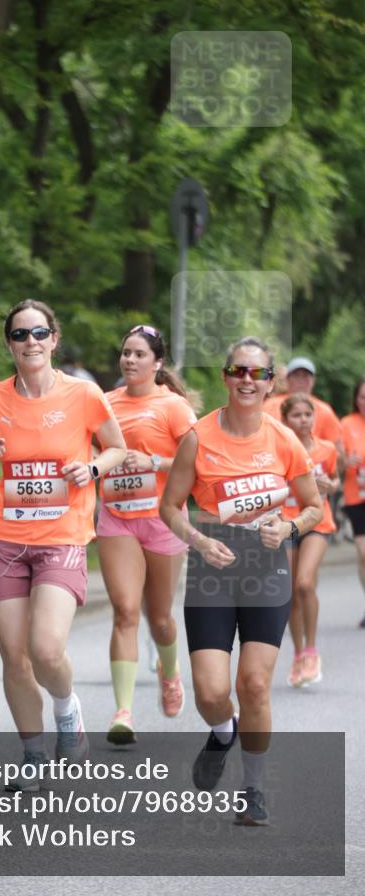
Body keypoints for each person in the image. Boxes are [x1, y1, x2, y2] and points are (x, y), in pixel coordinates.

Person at [160, 337, 322, 826]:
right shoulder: (198, 436)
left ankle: (253, 788)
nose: (247, 380)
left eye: (257, 374)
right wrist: (200, 542)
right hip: (213, 570)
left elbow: (315, 506)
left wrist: (290, 527)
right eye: (238, 371)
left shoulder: (283, 439)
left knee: (253, 685)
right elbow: (169, 506)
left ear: (270, 382)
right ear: (226, 377)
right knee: (211, 693)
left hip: (266, 571)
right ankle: (223, 732)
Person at [0, 299, 126, 787]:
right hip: (4, 539)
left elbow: (117, 447)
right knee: (14, 657)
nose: (29, 342)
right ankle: (33, 756)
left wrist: (92, 467)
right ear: (9, 343)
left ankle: (67, 708)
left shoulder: (84, 395)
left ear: (53, 339)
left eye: (38, 333)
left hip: (62, 536)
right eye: (19, 335)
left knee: (46, 650)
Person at [96, 324, 198, 744]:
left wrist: (152, 461)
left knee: (160, 618)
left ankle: (170, 673)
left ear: (157, 363)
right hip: (117, 517)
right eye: (126, 353)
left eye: (139, 354)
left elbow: (197, 462)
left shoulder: (173, 406)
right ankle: (123, 712)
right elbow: (85, 449)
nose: (130, 360)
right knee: (124, 610)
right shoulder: (103, 403)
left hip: (161, 519)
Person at [280, 394, 339, 686]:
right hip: (288, 522)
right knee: (290, 591)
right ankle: (298, 653)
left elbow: (336, 478)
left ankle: (313, 651)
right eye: (296, 415)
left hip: (318, 521)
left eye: (308, 414)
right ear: (285, 419)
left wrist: (331, 484)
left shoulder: (327, 449)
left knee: (305, 582)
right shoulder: (279, 450)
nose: (303, 420)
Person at [264, 357, 343, 454]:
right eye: (297, 375)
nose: (301, 380)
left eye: (306, 376)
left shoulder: (325, 410)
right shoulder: (270, 405)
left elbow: (336, 448)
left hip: (312, 462)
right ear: (288, 379)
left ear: (313, 380)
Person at [340, 377, 365, 627]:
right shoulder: (347, 424)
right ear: (356, 399)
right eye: (362, 397)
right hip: (356, 496)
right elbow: (336, 459)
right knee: (364, 553)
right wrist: (346, 462)